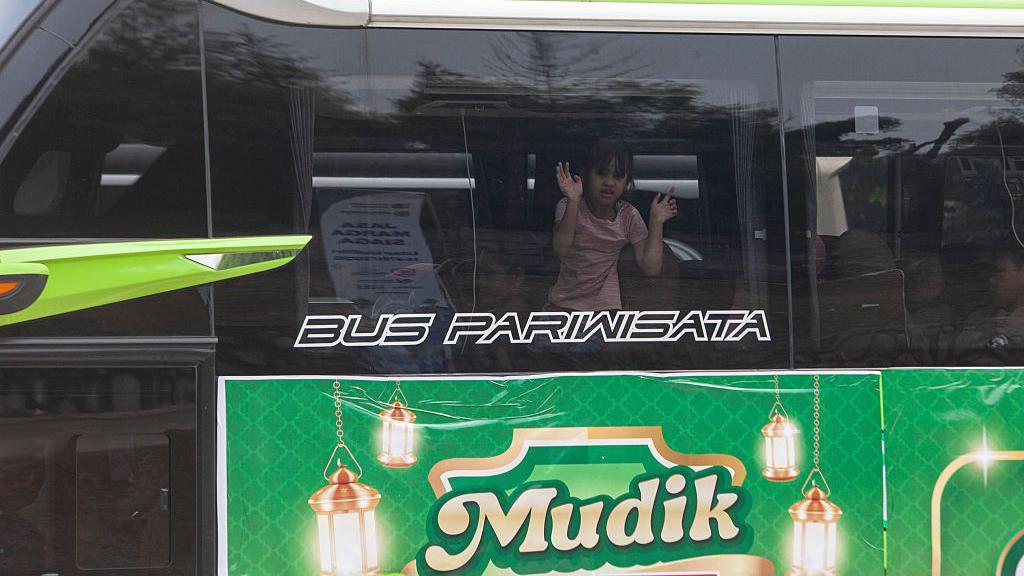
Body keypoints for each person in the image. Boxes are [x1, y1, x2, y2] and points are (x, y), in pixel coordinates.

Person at [548, 143, 677, 312]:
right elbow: (561, 248)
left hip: (606, 312)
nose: (609, 182)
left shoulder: (628, 216)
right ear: (585, 175)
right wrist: (573, 200)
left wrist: (656, 222)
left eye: (618, 176)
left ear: (627, 182)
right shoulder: (567, 206)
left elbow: (650, 268)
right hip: (563, 306)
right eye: (601, 173)